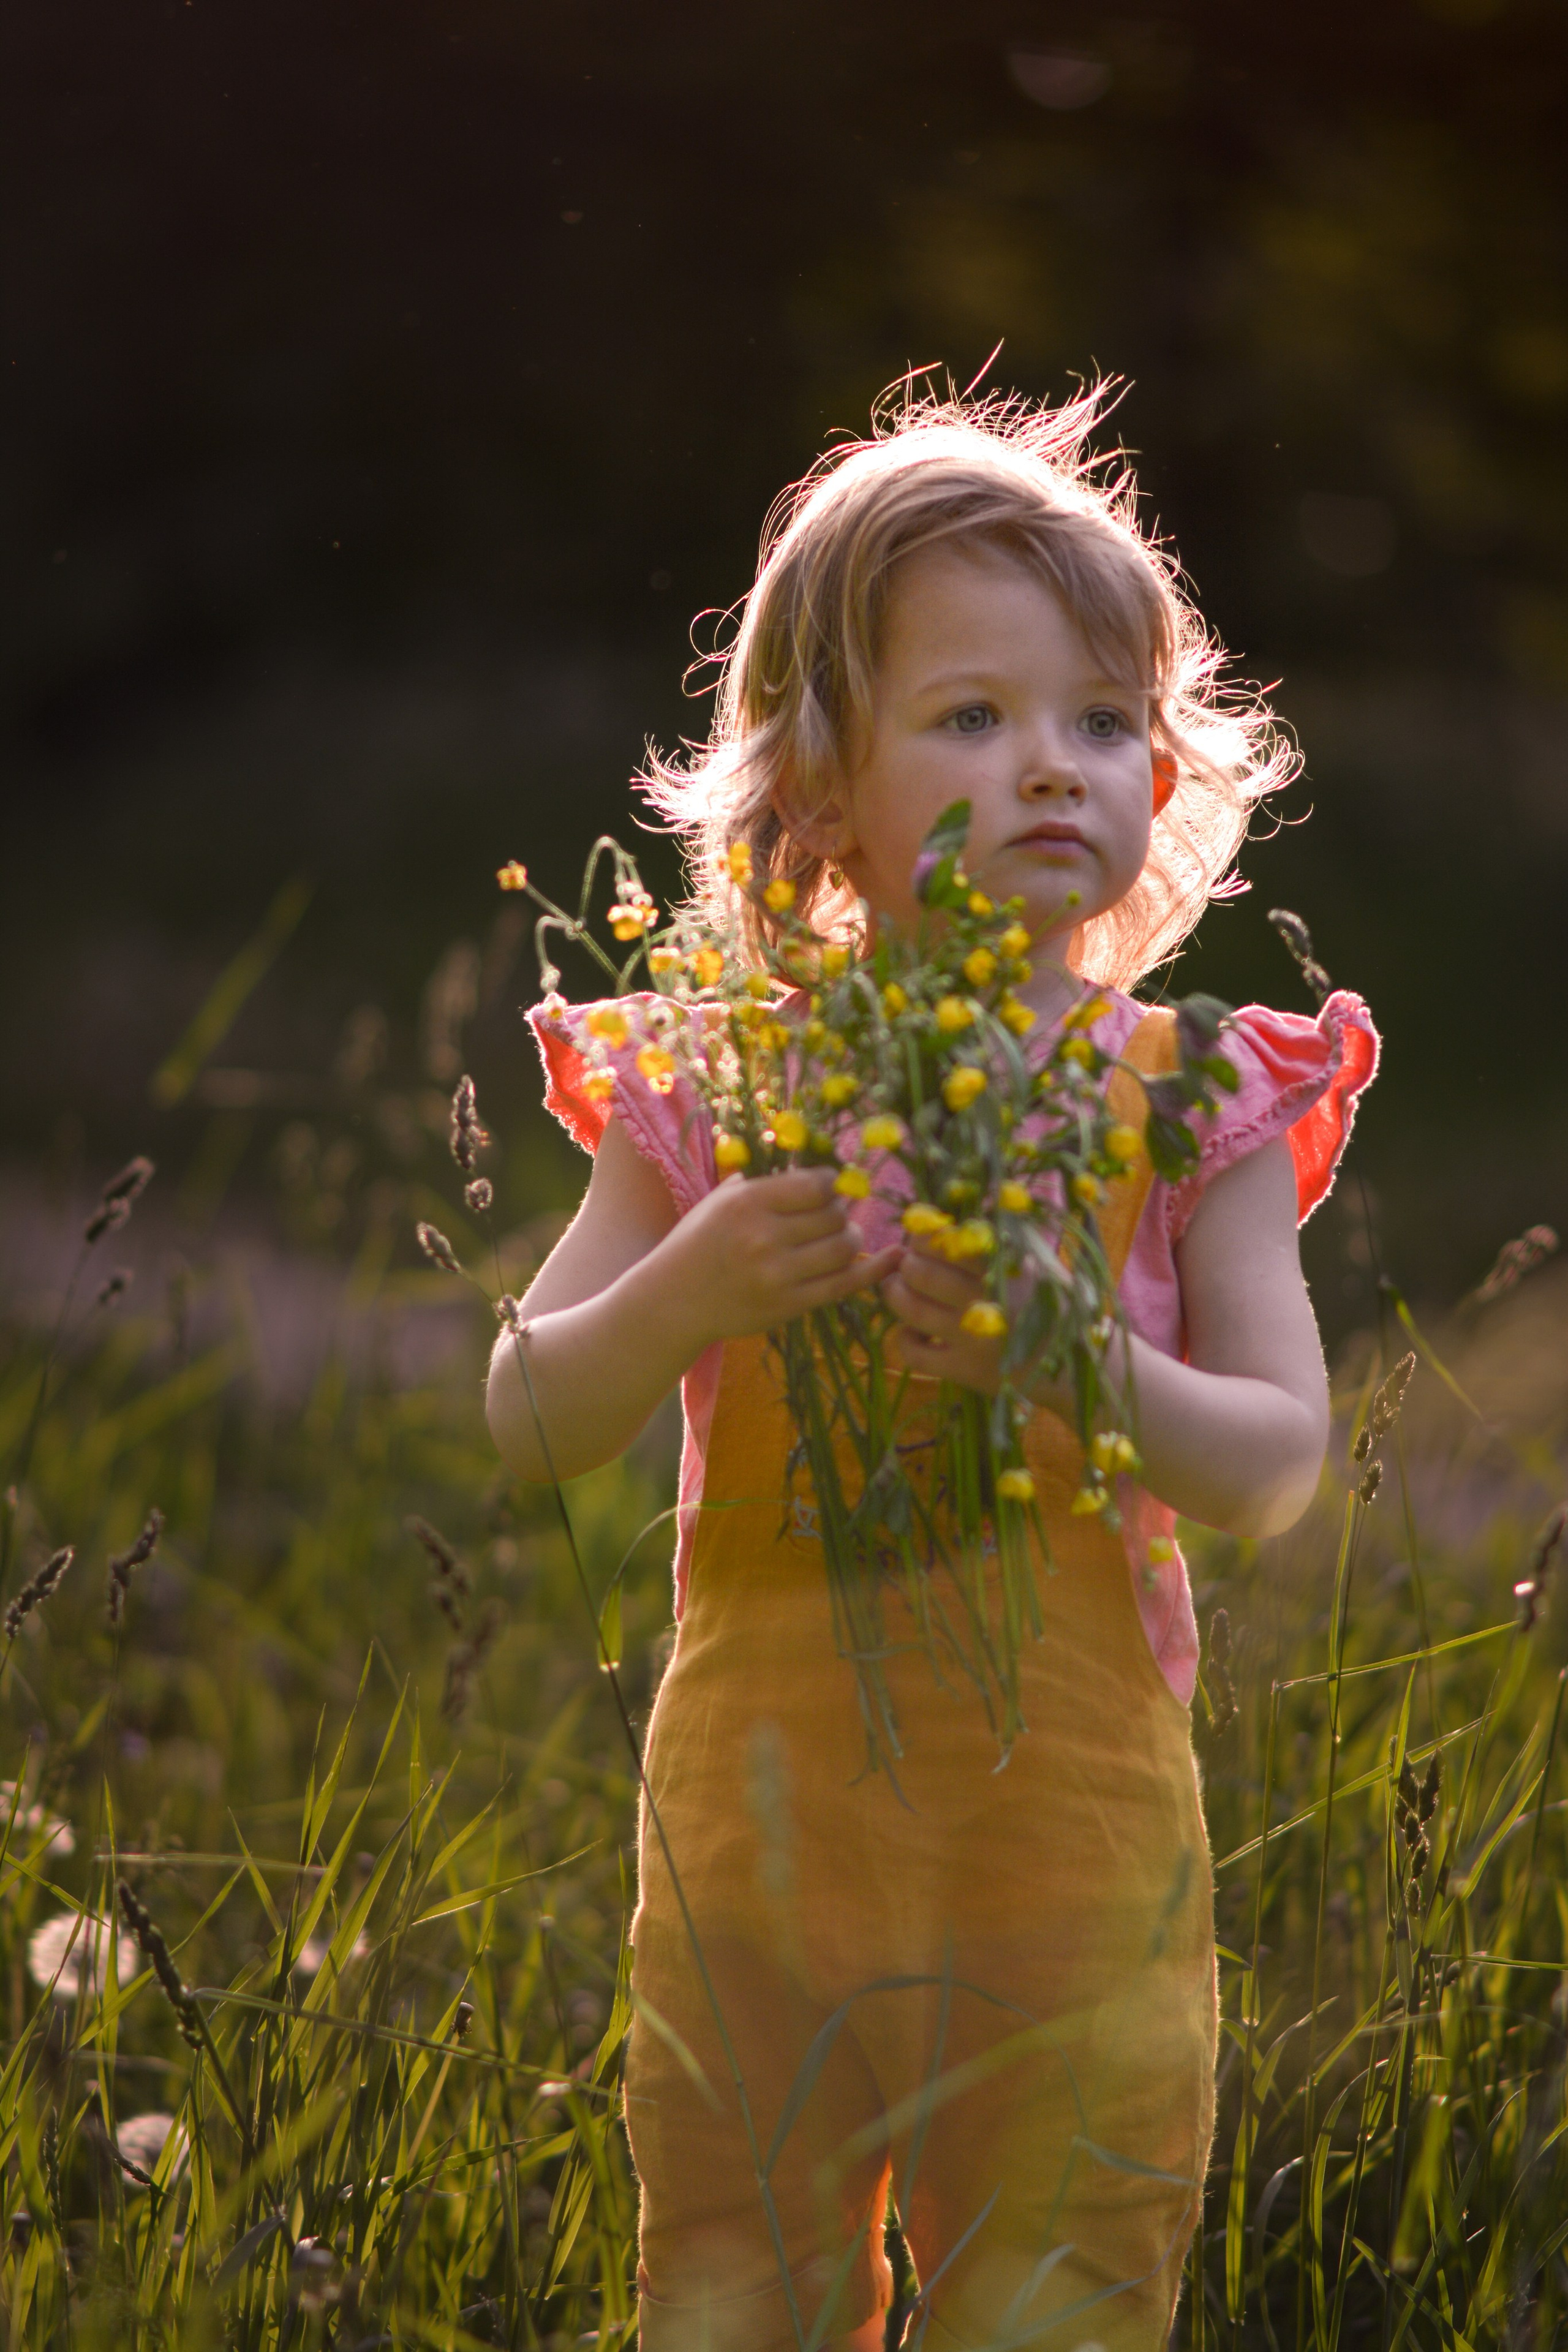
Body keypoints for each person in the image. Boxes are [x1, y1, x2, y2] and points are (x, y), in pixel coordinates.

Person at [486, 388, 1378, 2351]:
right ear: (819, 785)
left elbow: (1276, 1464)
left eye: (1096, 721)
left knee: (1059, 2287)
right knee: (744, 2273)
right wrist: (694, 1283)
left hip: (1072, 1843)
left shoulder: (1188, 1090)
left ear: (1158, 768)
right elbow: (532, 1410)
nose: (1048, 766)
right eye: (970, 718)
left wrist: (1082, 1370)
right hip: (764, 1832)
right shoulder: (724, 1080)